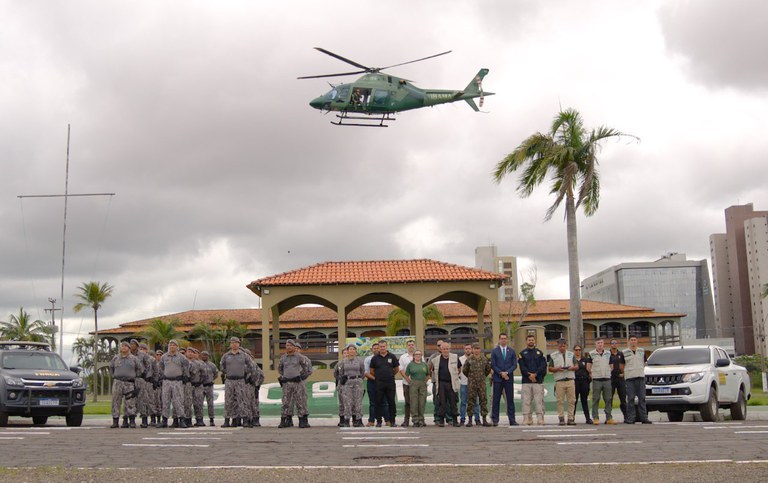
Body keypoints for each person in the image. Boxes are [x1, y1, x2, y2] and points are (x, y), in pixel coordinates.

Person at [278, 339, 313, 428]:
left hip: (297, 382)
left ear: (294, 347)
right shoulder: (283, 358)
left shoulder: (299, 357)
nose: (288, 347)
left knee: (300, 401)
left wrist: (301, 376)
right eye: (287, 345)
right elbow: (280, 369)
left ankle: (302, 420)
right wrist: (286, 375)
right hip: (287, 382)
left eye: (290, 345)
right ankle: (284, 420)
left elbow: (307, 368)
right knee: (286, 402)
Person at [220, 336, 254, 428]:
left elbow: (251, 366)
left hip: (240, 380)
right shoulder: (226, 356)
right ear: (230, 344)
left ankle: (245, 420)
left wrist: (246, 375)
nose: (234, 344)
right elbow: (222, 367)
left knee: (242, 400)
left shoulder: (244, 355)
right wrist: (227, 372)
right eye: (232, 343)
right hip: (229, 380)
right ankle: (227, 420)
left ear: (239, 344)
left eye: (236, 342)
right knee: (228, 401)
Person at [109, 341, 142, 428]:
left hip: (129, 383)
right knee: (116, 402)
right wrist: (114, 376)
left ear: (129, 348)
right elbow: (111, 368)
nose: (123, 347)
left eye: (125, 346)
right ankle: (115, 421)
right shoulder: (116, 358)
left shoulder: (134, 358)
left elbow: (140, 369)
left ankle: (131, 420)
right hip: (118, 382)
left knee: (130, 402)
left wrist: (133, 376)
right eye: (122, 346)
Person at [158, 339, 190, 428]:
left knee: (178, 401)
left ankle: (181, 420)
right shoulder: (164, 357)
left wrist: (184, 377)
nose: (172, 346)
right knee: (165, 401)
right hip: (166, 382)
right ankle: (164, 420)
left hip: (177, 382)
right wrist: (163, 376)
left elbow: (186, 367)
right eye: (170, 345)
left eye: (174, 345)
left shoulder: (181, 357)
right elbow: (160, 368)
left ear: (177, 346)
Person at [430, 342, 461, 427]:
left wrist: (455, 376)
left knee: (453, 402)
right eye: (444, 349)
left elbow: (459, 368)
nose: (445, 350)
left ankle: (455, 420)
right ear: (441, 350)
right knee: (441, 402)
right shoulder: (436, 359)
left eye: (447, 348)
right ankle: (441, 420)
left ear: (449, 349)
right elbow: (431, 370)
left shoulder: (455, 357)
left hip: (451, 383)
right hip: (441, 383)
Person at [369, 340, 399, 427]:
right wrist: (379, 377)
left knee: (391, 402)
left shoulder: (392, 356)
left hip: (390, 383)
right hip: (379, 383)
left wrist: (389, 375)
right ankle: (379, 421)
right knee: (378, 402)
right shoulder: (374, 358)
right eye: (380, 346)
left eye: (384, 346)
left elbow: (396, 369)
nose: (382, 348)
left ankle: (392, 421)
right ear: (378, 348)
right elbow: (372, 371)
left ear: (386, 346)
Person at [548, 338, 578, 426]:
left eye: (563, 346)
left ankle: (570, 418)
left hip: (570, 379)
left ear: (566, 346)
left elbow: (576, 366)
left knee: (571, 400)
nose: (562, 348)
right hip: (559, 380)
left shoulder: (571, 354)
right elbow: (550, 368)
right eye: (560, 346)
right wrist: (557, 369)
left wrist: (572, 368)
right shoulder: (553, 355)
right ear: (558, 346)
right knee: (560, 401)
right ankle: (561, 418)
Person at [519, 334, 547, 425]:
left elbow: (543, 366)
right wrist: (529, 375)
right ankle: (527, 418)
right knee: (526, 400)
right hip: (526, 381)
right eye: (529, 340)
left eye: (532, 340)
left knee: (539, 401)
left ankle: (540, 418)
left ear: (534, 341)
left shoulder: (540, 353)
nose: (531, 341)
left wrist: (535, 374)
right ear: (526, 341)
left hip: (537, 381)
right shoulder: (522, 354)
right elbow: (522, 367)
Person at [623, 335, 652, 424]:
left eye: (634, 340)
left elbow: (644, 363)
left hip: (640, 378)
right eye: (631, 340)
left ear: (637, 341)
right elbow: (621, 366)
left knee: (642, 398)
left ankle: (644, 418)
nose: (633, 341)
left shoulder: (642, 351)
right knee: (631, 399)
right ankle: (631, 418)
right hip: (630, 378)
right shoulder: (624, 352)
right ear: (629, 341)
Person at [490, 333, 517, 426]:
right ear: (499, 340)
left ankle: (512, 419)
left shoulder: (512, 351)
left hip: (508, 379)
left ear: (507, 340)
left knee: (510, 400)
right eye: (502, 338)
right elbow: (493, 364)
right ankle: (495, 419)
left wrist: (507, 373)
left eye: (505, 338)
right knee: (496, 400)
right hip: (498, 379)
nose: (503, 340)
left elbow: (514, 365)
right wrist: (501, 373)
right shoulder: (494, 351)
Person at [462, 343, 492, 427]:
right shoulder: (469, 359)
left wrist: (482, 377)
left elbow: (487, 370)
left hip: (481, 383)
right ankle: (470, 420)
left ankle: (484, 419)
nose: (476, 350)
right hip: (472, 383)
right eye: (475, 349)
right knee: (471, 401)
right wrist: (471, 377)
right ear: (472, 350)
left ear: (480, 350)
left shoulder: (484, 359)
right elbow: (465, 370)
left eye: (478, 348)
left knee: (483, 400)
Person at [588, 338, 616, 425]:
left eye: (601, 343)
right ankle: (595, 418)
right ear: (595, 344)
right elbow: (588, 367)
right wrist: (593, 374)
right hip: (597, 379)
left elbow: (611, 366)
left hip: (607, 379)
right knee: (596, 399)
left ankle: (609, 418)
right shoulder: (591, 354)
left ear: (603, 344)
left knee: (608, 399)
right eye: (598, 343)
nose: (600, 344)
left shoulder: (608, 353)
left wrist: (607, 373)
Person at [337, 344, 366, 427]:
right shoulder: (342, 362)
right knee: (347, 402)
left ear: (356, 351)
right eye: (350, 349)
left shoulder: (360, 361)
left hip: (357, 382)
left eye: (353, 349)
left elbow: (362, 372)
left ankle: (358, 420)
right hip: (347, 383)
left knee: (358, 402)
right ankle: (346, 420)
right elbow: (340, 373)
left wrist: (358, 379)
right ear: (347, 351)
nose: (352, 351)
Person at [129, 339, 154, 429]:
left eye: (134, 344)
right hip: (130, 380)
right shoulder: (127, 355)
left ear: (137, 345)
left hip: (140, 379)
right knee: (130, 400)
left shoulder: (143, 355)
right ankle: (131, 420)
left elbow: (148, 365)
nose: (132, 345)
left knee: (143, 400)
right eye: (131, 344)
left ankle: (144, 420)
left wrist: (145, 374)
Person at [364, 342, 388, 426]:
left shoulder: (385, 358)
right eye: (375, 348)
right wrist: (375, 379)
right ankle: (371, 421)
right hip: (372, 382)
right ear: (372, 350)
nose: (377, 349)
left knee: (384, 402)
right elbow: (366, 373)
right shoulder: (368, 359)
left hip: (383, 382)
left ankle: (387, 420)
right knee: (373, 402)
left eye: (378, 348)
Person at [404, 350, 429, 427]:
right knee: (414, 402)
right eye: (416, 354)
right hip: (414, 384)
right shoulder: (410, 365)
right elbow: (406, 375)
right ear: (414, 356)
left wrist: (424, 381)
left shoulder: (424, 365)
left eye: (419, 354)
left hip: (422, 384)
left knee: (422, 402)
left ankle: (421, 420)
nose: (418, 356)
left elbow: (428, 375)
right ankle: (415, 420)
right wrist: (410, 382)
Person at [459, 343, 481, 426]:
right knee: (463, 402)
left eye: (469, 348)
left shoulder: (476, 358)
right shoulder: (460, 359)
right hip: (464, 383)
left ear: (471, 349)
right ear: (464, 349)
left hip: (474, 384)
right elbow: (459, 370)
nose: (468, 350)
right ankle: (462, 419)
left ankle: (477, 419)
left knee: (475, 402)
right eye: (466, 349)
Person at [398, 339, 416, 427]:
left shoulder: (419, 355)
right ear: (407, 346)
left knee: (417, 402)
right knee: (408, 402)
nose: (411, 346)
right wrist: (407, 378)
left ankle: (417, 420)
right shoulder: (403, 357)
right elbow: (400, 370)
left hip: (417, 383)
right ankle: (406, 420)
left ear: (414, 345)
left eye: (412, 344)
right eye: (409, 345)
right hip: (407, 383)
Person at [574, 344, 593, 424]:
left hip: (584, 381)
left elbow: (589, 370)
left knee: (584, 400)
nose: (578, 351)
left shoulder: (585, 359)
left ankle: (588, 418)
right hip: (575, 381)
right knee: (574, 401)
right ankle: (571, 418)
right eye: (576, 350)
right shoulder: (572, 360)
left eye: (579, 350)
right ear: (574, 351)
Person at [609, 338, 627, 420]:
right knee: (609, 398)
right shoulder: (607, 354)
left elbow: (625, 365)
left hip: (620, 378)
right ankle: (609, 417)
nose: (614, 344)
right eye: (612, 343)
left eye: (615, 343)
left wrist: (624, 373)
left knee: (623, 398)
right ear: (610, 344)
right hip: (611, 379)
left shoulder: (621, 354)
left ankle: (626, 417)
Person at [200, 350, 218, 426]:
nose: (205, 356)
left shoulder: (212, 365)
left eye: (206, 355)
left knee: (210, 404)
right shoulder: (198, 364)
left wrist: (211, 380)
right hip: (200, 386)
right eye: (203, 355)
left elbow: (216, 375)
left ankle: (211, 419)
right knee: (199, 404)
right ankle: (200, 419)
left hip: (209, 386)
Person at [334, 347, 349, 427]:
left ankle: (353, 419)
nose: (346, 354)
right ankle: (342, 420)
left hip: (351, 385)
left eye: (347, 353)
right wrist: (340, 379)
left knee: (351, 403)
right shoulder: (339, 364)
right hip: (341, 385)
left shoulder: (353, 363)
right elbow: (335, 373)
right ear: (342, 355)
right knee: (342, 403)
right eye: (344, 353)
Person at [152, 350, 164, 427]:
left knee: (162, 403)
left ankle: (161, 419)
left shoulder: (164, 364)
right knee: (155, 402)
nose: (159, 356)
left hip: (163, 385)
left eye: (160, 354)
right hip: (155, 386)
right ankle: (154, 419)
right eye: (157, 354)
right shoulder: (153, 364)